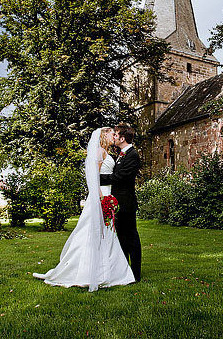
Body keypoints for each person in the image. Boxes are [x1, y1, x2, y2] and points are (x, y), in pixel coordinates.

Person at [32, 128, 134, 292]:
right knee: (92, 231)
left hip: (108, 193)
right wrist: (102, 198)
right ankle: (85, 270)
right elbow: (93, 176)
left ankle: (108, 271)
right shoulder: (99, 151)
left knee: (106, 232)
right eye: (111, 134)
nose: (113, 137)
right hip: (100, 195)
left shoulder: (107, 152)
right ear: (103, 135)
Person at [100, 123, 141, 281]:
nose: (114, 137)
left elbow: (120, 178)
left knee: (131, 238)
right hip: (118, 203)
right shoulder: (122, 154)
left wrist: (98, 178)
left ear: (123, 138)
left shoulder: (132, 155)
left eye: (116, 135)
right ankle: (125, 271)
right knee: (122, 239)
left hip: (126, 203)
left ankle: (136, 274)